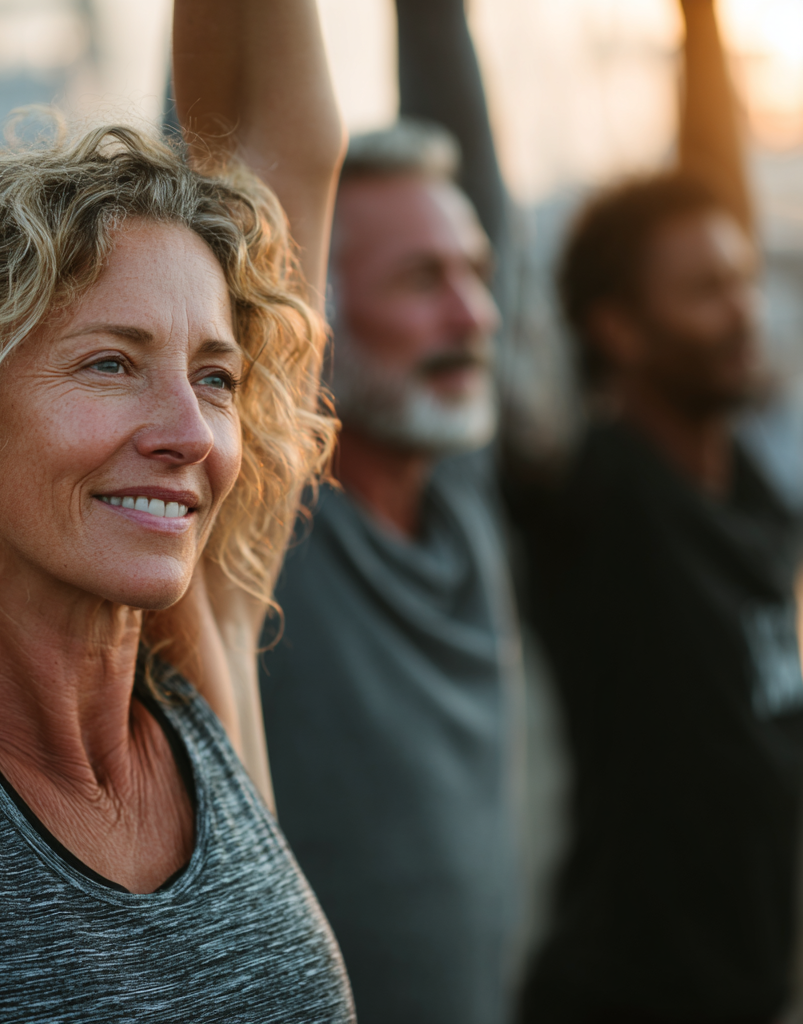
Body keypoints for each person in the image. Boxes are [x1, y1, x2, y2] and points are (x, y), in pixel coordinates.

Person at [0, 1, 356, 1021]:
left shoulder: (202, 691)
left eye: (215, 377)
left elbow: (281, 133)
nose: (188, 429)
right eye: (110, 362)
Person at [509, 2, 803, 1021]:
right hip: (623, 998)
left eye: (743, 280)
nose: (743, 309)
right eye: (706, 290)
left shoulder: (752, 492)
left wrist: (701, 19)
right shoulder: (603, 504)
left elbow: (716, 182)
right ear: (617, 332)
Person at [257, 3, 521, 1021]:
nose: (475, 315)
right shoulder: (265, 536)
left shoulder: (460, 487)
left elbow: (481, 185)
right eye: (423, 279)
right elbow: (224, 146)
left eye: (475, 275)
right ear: (307, 315)